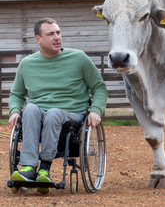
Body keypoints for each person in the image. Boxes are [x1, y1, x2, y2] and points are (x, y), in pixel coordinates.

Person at [8, 18, 107, 193]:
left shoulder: (79, 58)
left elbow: (99, 87)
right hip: (38, 114)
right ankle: (28, 168)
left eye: (58, 33)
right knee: (29, 109)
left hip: (72, 113)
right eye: (51, 34)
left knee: (53, 113)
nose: (57, 37)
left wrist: (96, 111)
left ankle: (44, 168)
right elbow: (16, 94)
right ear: (38, 39)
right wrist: (15, 111)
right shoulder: (27, 64)